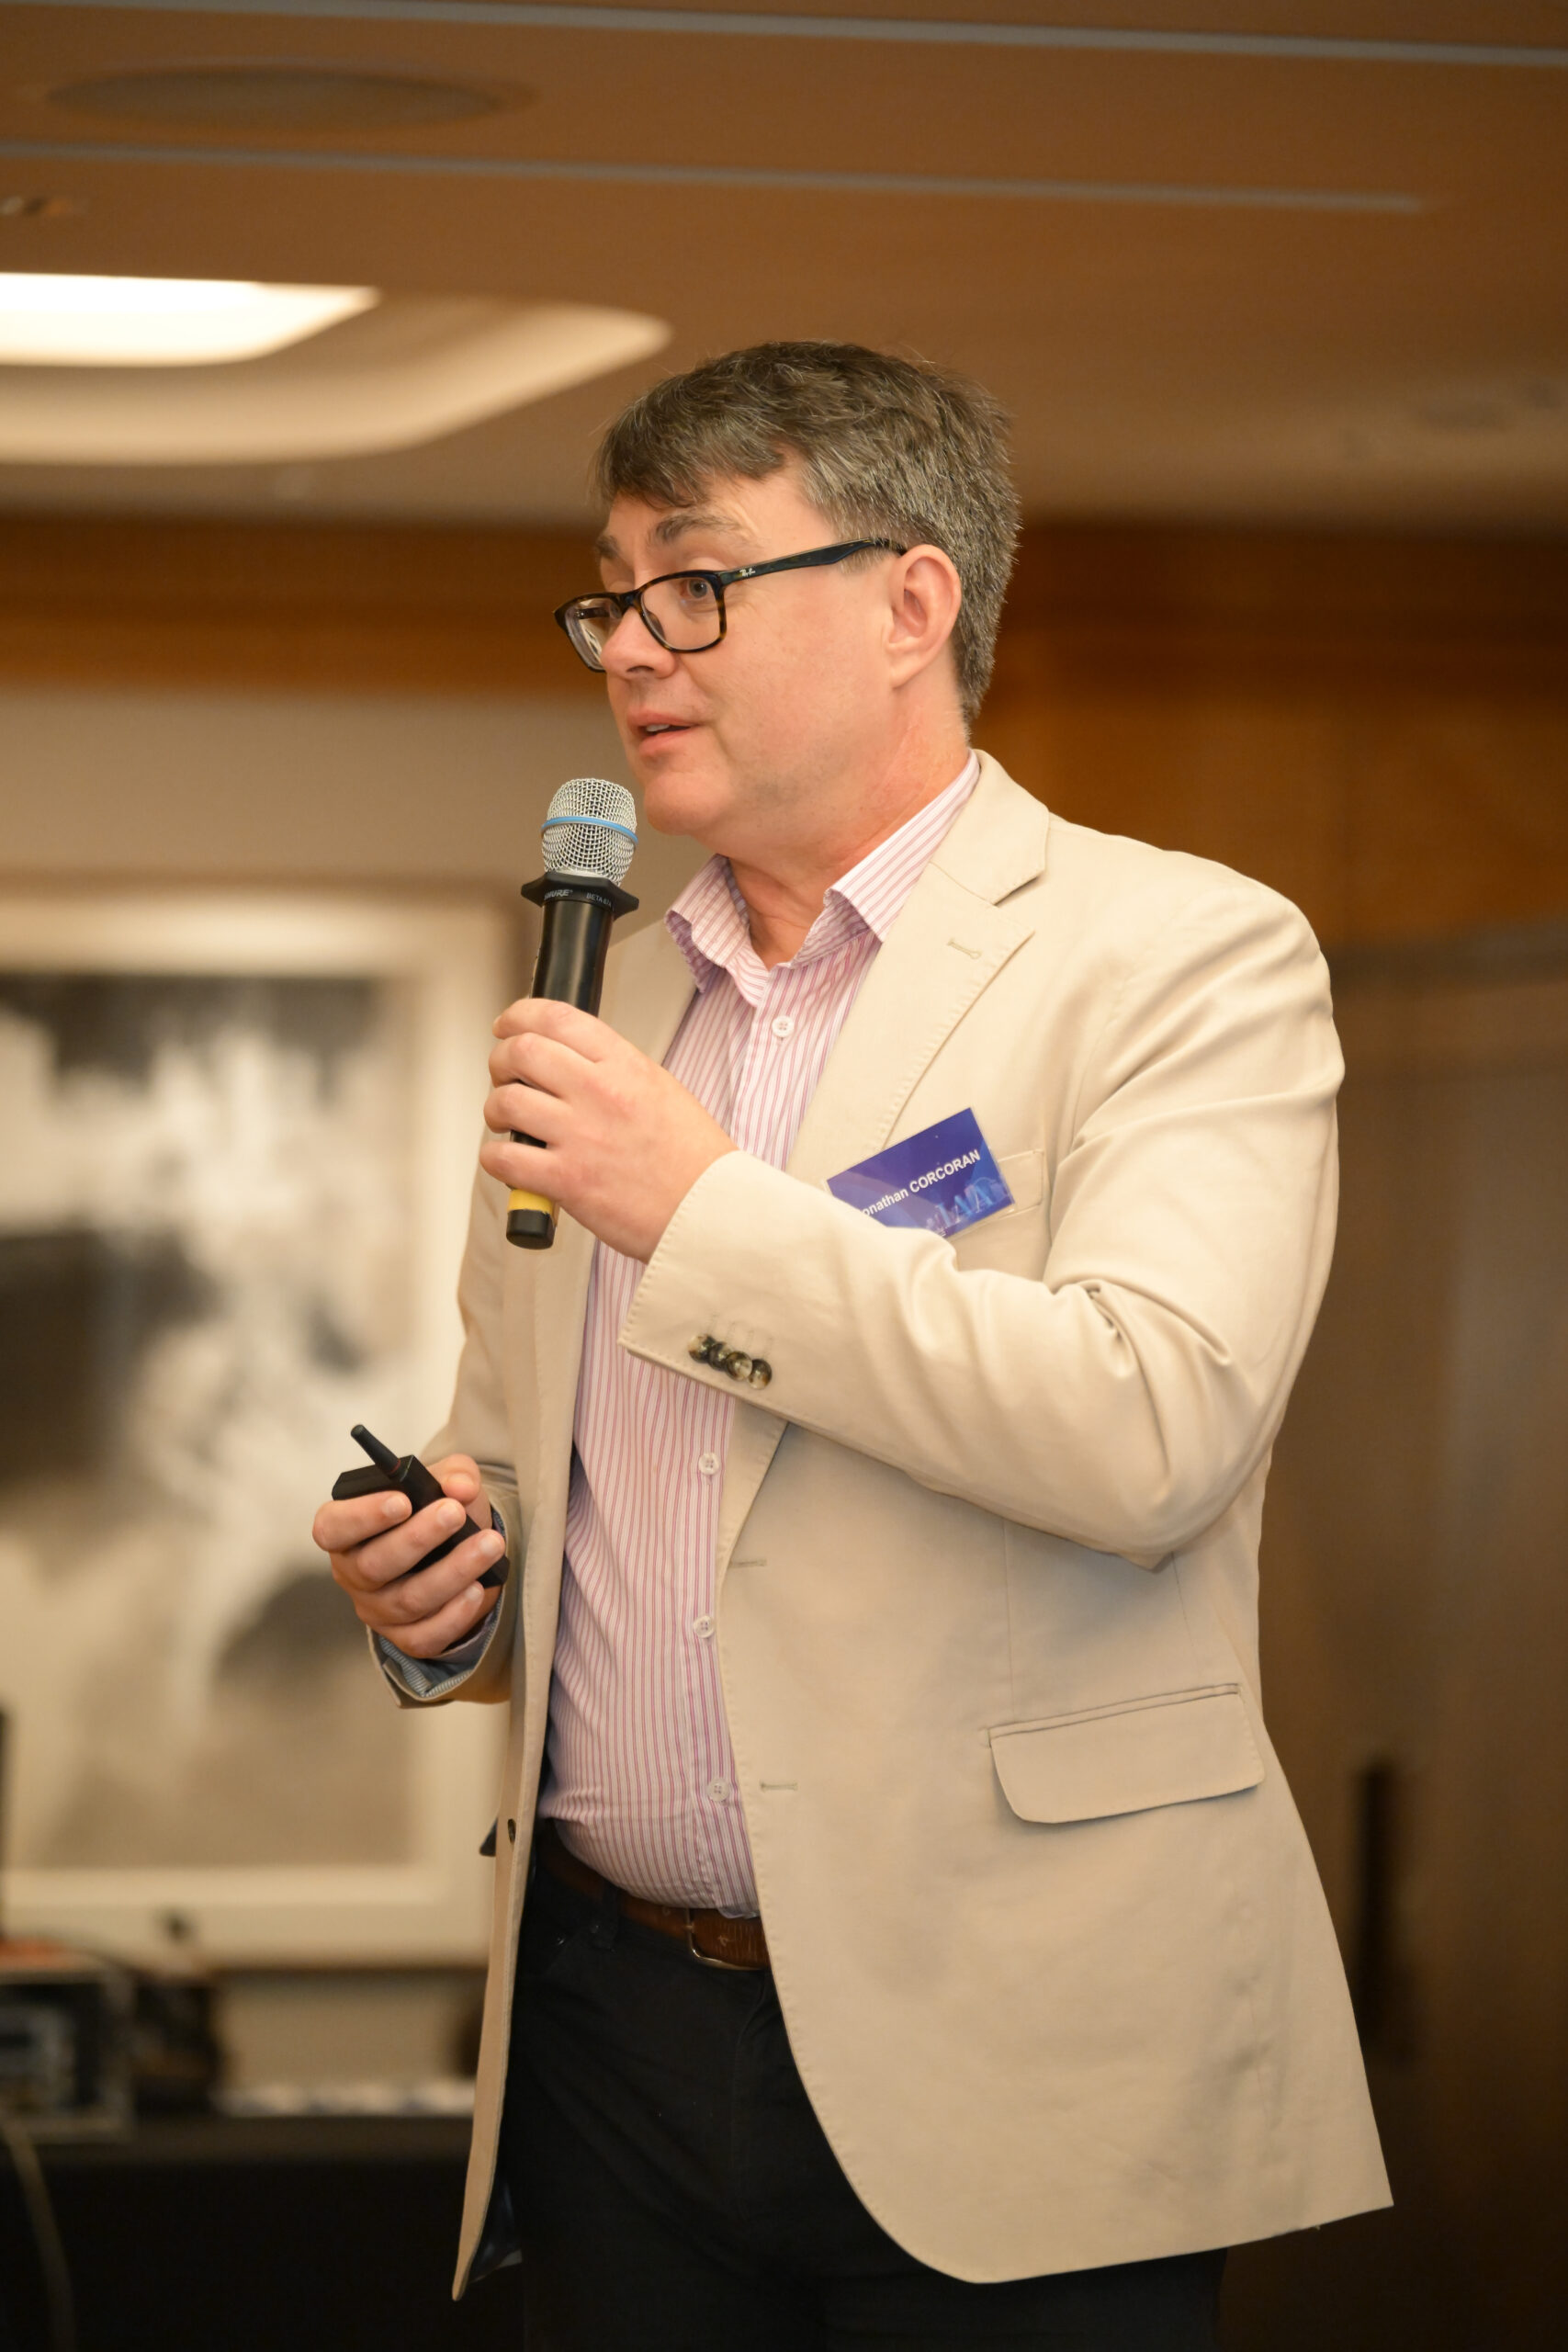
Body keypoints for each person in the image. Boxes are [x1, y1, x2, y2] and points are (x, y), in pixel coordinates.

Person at [314, 342, 1387, 2348]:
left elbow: (1150, 1431)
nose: (635, 647)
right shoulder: (607, 1005)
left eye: (696, 583)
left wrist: (700, 1209)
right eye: (613, 597)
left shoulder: (1177, 954)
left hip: (1017, 2030)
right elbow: (531, 1467)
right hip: (608, 2031)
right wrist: (445, 1584)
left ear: (912, 602)